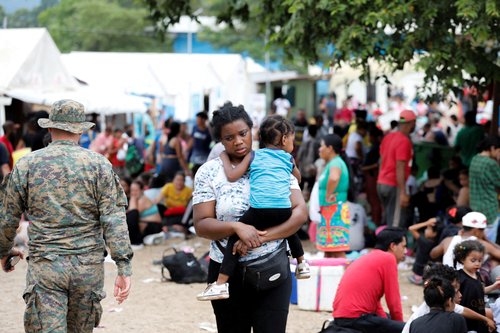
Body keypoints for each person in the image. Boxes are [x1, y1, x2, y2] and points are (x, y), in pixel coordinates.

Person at [0, 99, 132, 332]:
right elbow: (114, 219)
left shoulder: (27, 164)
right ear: (80, 130)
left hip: (46, 267)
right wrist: (123, 267)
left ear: (49, 128)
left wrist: (4, 250)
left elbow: (8, 217)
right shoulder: (99, 165)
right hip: (87, 268)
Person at [192, 102, 308, 332]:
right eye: (229, 138)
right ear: (220, 141)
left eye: (243, 134)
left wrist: (260, 238)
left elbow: (299, 213)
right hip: (226, 277)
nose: (238, 141)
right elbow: (202, 224)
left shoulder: (276, 161)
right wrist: (237, 228)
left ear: (252, 132)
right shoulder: (209, 172)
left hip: (272, 269)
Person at [331, 227, 407, 333]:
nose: (406, 251)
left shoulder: (367, 257)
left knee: (388, 319)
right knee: (406, 327)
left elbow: (375, 304)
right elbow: (393, 303)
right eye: (403, 247)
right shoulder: (388, 258)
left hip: (341, 317)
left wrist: (392, 323)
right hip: (356, 318)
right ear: (393, 246)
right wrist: (402, 328)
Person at [403, 263, 495, 333]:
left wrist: (485, 319)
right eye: (455, 290)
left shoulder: (438, 303)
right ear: (443, 291)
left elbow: (463, 310)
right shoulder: (455, 319)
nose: (460, 295)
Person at [377, 110, 416, 227]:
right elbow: (400, 167)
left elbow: (381, 161)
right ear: (412, 123)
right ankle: (390, 244)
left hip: (381, 183)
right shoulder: (404, 141)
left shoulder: (388, 137)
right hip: (393, 185)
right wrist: (403, 192)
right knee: (395, 224)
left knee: (389, 218)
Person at [453, 239, 500, 333]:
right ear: (462, 259)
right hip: (465, 317)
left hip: (479, 315)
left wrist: (494, 286)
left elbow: (480, 290)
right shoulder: (459, 277)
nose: (477, 263)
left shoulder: (477, 275)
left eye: (480, 260)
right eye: (473, 260)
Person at [317, 134, 352, 258]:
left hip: (334, 212)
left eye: (322, 146)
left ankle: (347, 276)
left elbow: (334, 177)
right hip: (330, 212)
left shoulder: (335, 163)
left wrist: (328, 195)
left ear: (330, 148)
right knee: (329, 251)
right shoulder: (334, 162)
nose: (319, 149)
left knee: (337, 250)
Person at [469, 135, 500, 243]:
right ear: (492, 148)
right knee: (488, 245)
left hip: (475, 206)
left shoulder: (474, 159)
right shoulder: (491, 163)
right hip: (489, 209)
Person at [407, 217, 444, 285]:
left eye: (428, 229)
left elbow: (411, 228)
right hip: (428, 274)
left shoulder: (425, 242)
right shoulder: (439, 243)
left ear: (435, 233)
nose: (425, 230)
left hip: (419, 274)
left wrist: (427, 222)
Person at [190, 111, 212, 176]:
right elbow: (192, 140)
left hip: (204, 158)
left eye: (198, 119)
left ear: (203, 120)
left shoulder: (209, 130)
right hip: (194, 158)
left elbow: (212, 141)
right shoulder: (195, 128)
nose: (197, 121)